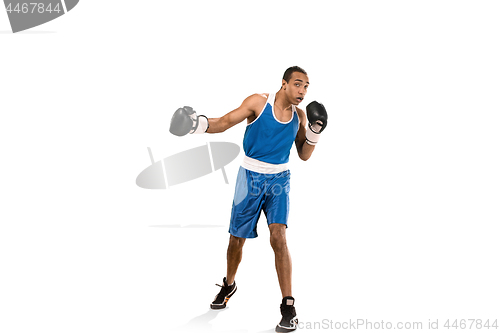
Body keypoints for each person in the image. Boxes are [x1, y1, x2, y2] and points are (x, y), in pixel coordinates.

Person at [169, 66, 328, 332]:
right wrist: (195, 124)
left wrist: (315, 131)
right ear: (284, 84)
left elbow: (304, 154)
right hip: (250, 178)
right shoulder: (258, 102)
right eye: (298, 84)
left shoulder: (299, 116)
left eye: (307, 86)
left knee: (279, 236)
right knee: (236, 240)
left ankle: (288, 305)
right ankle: (229, 284)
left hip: (279, 180)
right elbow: (225, 122)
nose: (302, 91)